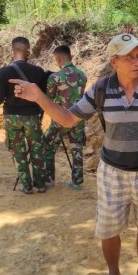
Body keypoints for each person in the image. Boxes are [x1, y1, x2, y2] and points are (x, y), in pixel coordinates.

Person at [9, 33, 138, 275]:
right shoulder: (100, 89)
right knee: (108, 229)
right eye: (129, 57)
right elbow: (66, 118)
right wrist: (40, 97)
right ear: (114, 62)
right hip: (112, 173)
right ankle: (113, 274)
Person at [0, 36, 48, 194]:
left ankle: (26, 185)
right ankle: (41, 184)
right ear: (28, 51)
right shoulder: (38, 72)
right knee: (37, 149)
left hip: (11, 117)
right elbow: (43, 96)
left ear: (13, 50)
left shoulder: (3, 72)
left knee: (18, 151)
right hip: (32, 117)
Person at [43, 45, 87, 189]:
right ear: (71, 57)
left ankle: (49, 180)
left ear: (58, 58)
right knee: (77, 149)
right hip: (79, 118)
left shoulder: (55, 77)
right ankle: (77, 182)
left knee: (48, 145)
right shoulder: (83, 75)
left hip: (60, 119)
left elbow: (48, 99)